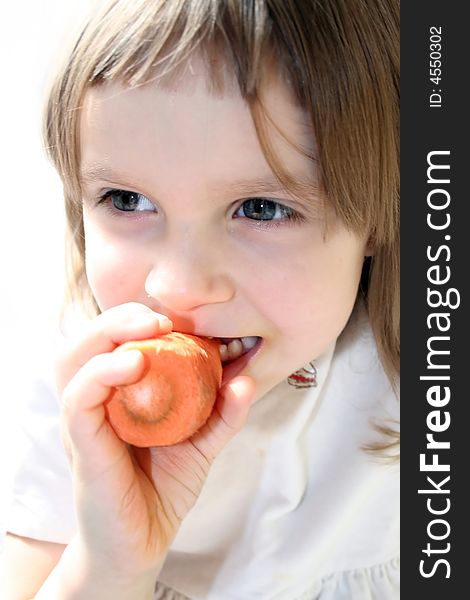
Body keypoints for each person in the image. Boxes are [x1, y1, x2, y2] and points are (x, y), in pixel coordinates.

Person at [1, 0, 400, 598]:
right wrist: (113, 563)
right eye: (127, 200)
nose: (175, 287)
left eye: (261, 209)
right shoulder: (86, 394)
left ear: (376, 214)